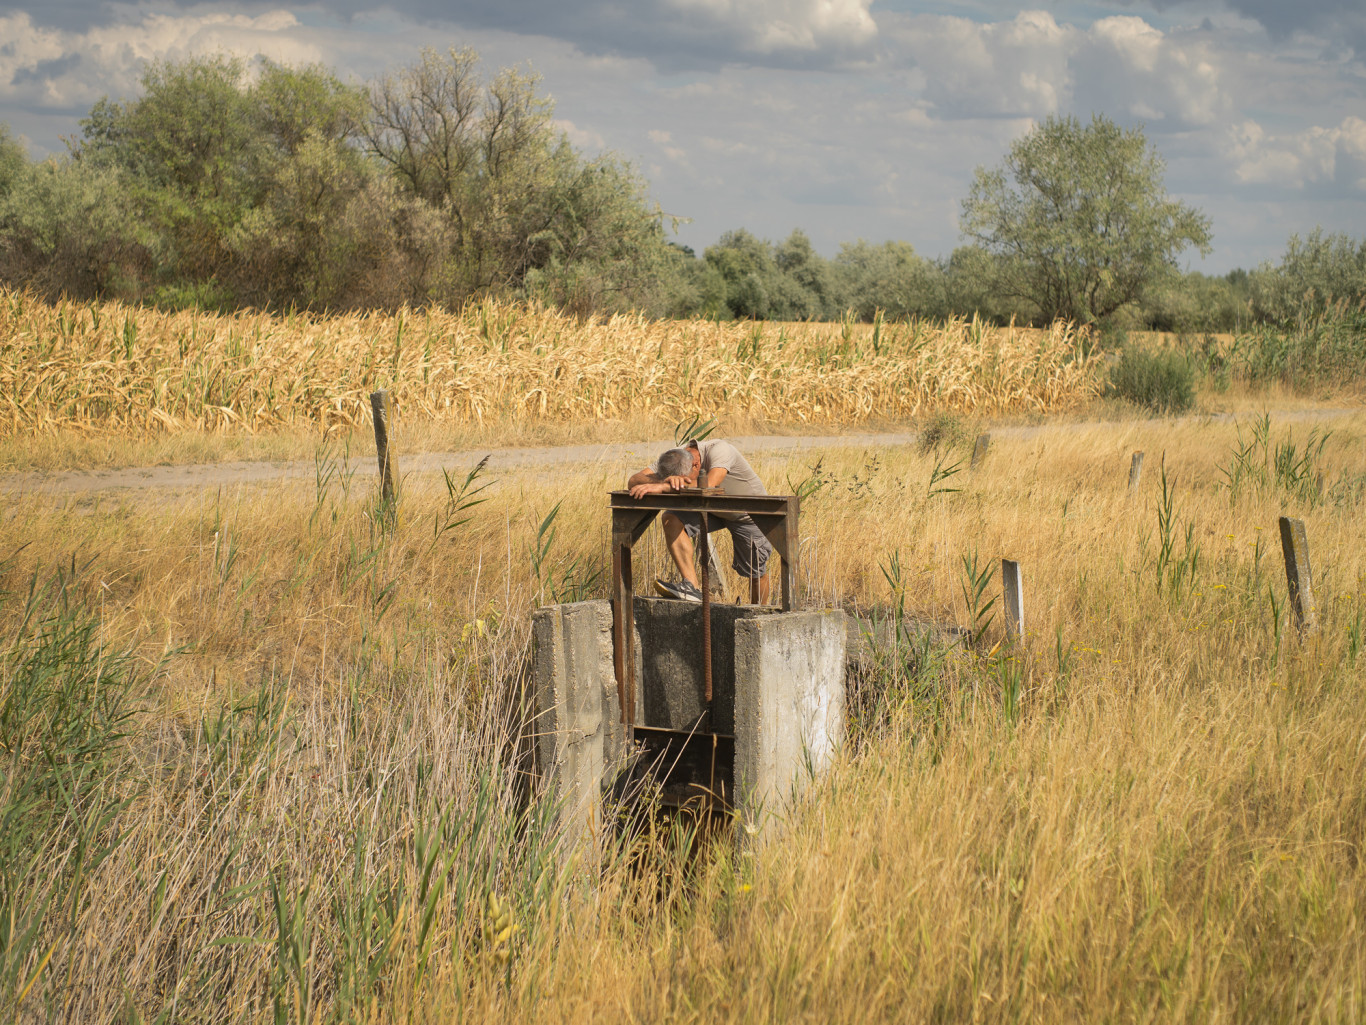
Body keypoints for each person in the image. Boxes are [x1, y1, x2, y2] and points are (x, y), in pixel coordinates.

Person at [627, 438, 773, 603]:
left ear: (696, 465)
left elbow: (710, 484)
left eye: (684, 480)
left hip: (746, 515)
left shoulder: (720, 450)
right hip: (712, 508)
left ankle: (758, 612)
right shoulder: (675, 457)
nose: (682, 484)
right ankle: (691, 587)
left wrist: (666, 487)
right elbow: (634, 480)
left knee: (755, 571)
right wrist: (663, 481)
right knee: (670, 518)